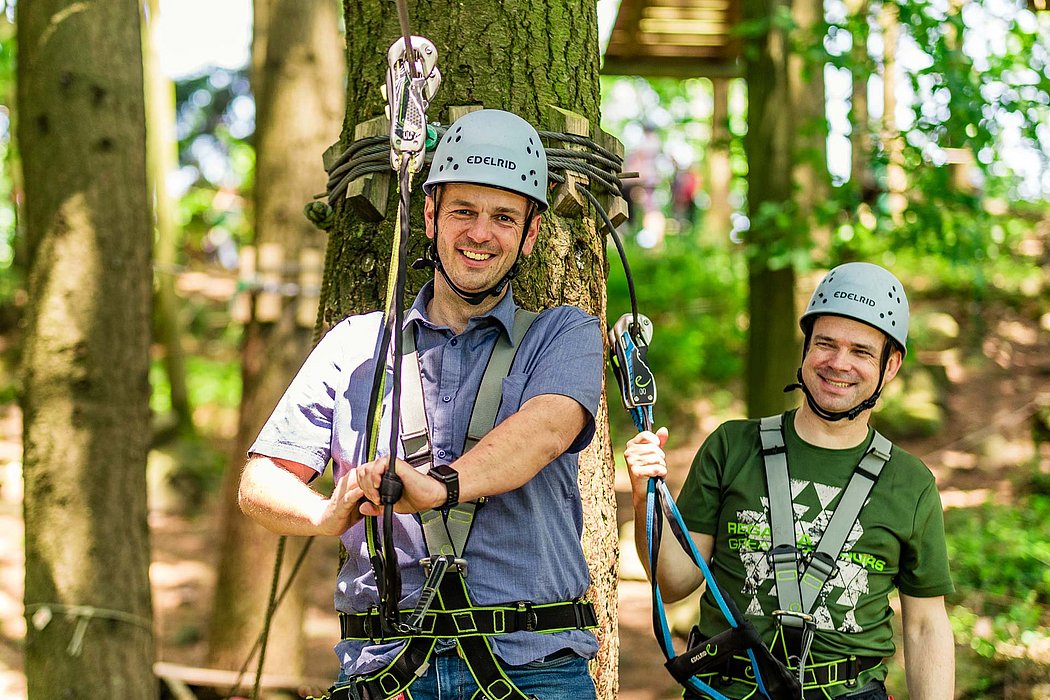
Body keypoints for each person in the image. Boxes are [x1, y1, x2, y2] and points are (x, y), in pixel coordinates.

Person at [239, 109, 604, 700]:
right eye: (463, 211)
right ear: (430, 217)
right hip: (383, 673)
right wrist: (322, 514)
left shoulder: (562, 335)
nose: (480, 233)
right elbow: (260, 480)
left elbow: (545, 431)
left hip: (532, 667)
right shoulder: (356, 345)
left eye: (503, 217)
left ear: (530, 234)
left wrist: (440, 488)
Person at [625, 263, 955, 700]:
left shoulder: (910, 483)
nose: (838, 363)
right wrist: (642, 493)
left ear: (890, 365)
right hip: (728, 687)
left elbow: (926, 625)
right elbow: (673, 583)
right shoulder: (732, 447)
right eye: (825, 343)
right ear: (805, 347)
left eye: (861, 351)